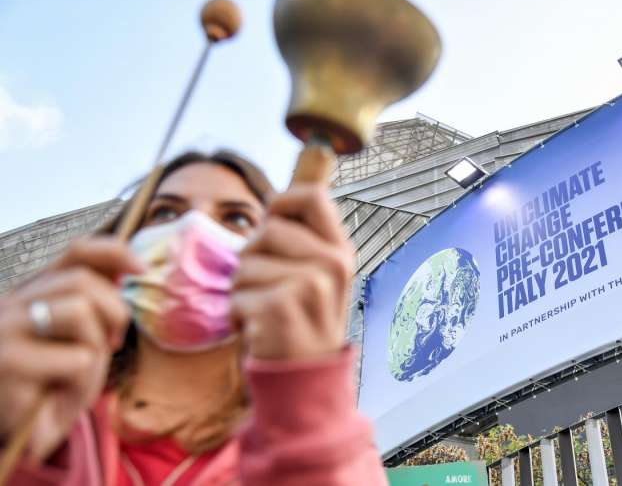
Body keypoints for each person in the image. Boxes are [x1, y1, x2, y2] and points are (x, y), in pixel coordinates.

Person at [0, 151, 387, 485]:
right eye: (165, 212)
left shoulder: (313, 441)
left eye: (235, 218)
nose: (193, 232)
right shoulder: (36, 405)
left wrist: (308, 401)